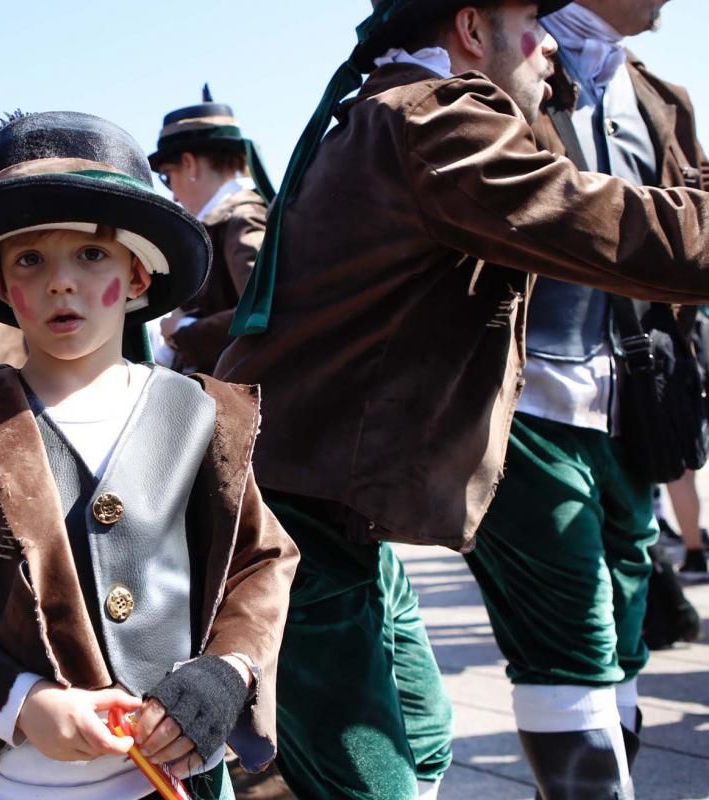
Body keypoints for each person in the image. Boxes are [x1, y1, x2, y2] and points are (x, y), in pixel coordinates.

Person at [216, 0, 709, 797]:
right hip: (289, 521)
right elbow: (618, 229)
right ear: (472, 31)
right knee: (373, 782)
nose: (550, 42)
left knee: (424, 737)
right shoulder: (435, 116)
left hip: (321, 509)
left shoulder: (394, 106)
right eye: (532, 21)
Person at [0, 110, 300, 800]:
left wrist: (228, 670)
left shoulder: (199, 413)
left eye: (91, 254)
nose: (61, 282)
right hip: (29, 779)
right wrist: (20, 701)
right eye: (30, 259)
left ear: (137, 275)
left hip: (179, 771)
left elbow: (263, 560)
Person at [461, 3, 709, 794]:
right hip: (522, 401)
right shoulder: (495, 58)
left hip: (632, 404)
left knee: (627, 628)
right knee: (569, 641)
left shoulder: (663, 97)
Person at [147, 88, 272, 374]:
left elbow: (264, 314)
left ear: (189, 164)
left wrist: (182, 328)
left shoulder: (242, 217)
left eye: (168, 177)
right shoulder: (225, 220)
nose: (174, 197)